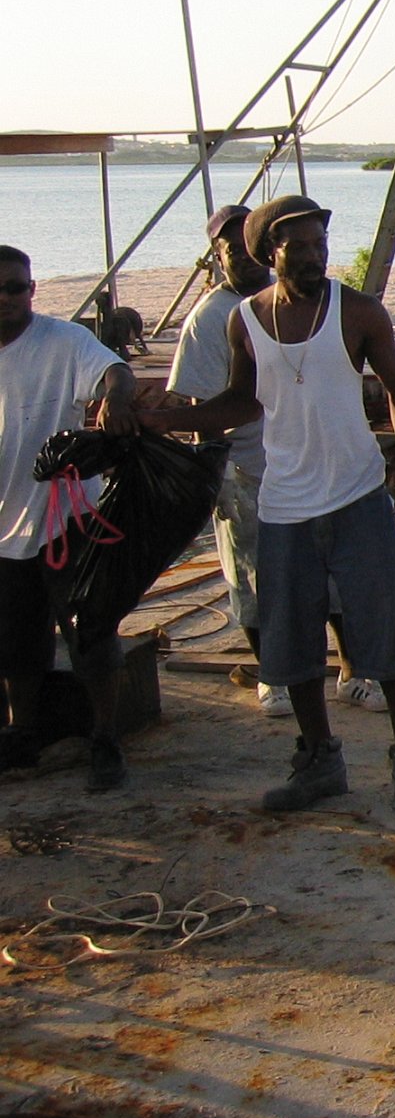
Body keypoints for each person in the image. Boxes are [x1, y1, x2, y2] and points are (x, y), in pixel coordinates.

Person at [140, 194, 395, 818]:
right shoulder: (244, 321)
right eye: (297, 247)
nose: (313, 256)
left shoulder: (358, 312)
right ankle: (318, 763)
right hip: (283, 504)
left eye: (319, 244)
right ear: (269, 254)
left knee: (386, 637)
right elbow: (240, 404)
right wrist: (162, 419)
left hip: (358, 496)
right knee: (292, 641)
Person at [167, 206, 388, 721]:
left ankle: (353, 671)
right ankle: (274, 675)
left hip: (322, 474)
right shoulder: (218, 317)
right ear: (220, 255)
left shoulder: (318, 307)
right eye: (230, 249)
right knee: (257, 581)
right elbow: (210, 403)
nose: (242, 256)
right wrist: (196, 456)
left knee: (332, 584)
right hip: (249, 472)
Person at [0, 245, 139, 790]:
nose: (7, 298)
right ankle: (24, 731)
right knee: (15, 640)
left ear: (32, 290)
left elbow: (114, 371)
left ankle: (106, 736)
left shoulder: (64, 341)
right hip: (5, 525)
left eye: (16, 287)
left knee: (92, 633)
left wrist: (117, 400)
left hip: (68, 518)